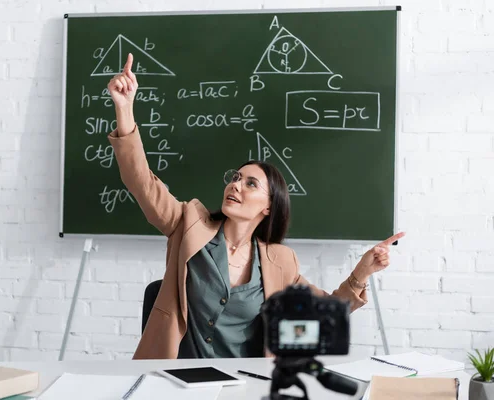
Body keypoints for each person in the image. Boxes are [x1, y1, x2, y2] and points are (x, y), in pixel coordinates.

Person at [106, 53, 405, 360]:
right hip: (179, 381)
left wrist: (362, 272)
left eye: (250, 183)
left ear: (268, 207)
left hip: (245, 384)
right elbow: (141, 181)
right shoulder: (187, 223)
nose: (236, 185)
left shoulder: (280, 261)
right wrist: (125, 108)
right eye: (236, 178)